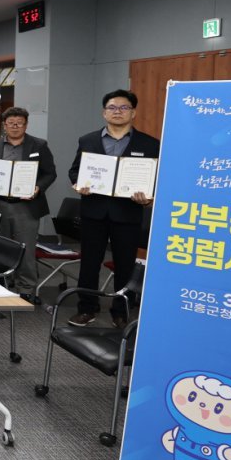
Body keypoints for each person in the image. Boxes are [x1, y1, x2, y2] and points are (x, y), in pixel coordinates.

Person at [68, 89, 159, 328]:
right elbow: (75, 170)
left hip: (128, 213)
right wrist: (79, 184)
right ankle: (87, 308)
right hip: (93, 212)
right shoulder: (87, 140)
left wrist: (148, 198)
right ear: (103, 112)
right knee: (89, 263)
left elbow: (155, 179)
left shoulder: (149, 144)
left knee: (125, 265)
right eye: (112, 107)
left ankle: (121, 311)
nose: (117, 112)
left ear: (133, 112)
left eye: (123, 108)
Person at [0, 107, 56, 294]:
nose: (15, 127)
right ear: (4, 125)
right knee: (1, 247)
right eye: (11, 123)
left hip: (26, 206)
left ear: (26, 124)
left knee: (26, 249)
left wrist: (38, 187)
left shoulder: (38, 145)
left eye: (19, 123)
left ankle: (26, 288)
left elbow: (50, 173)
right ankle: (4, 284)